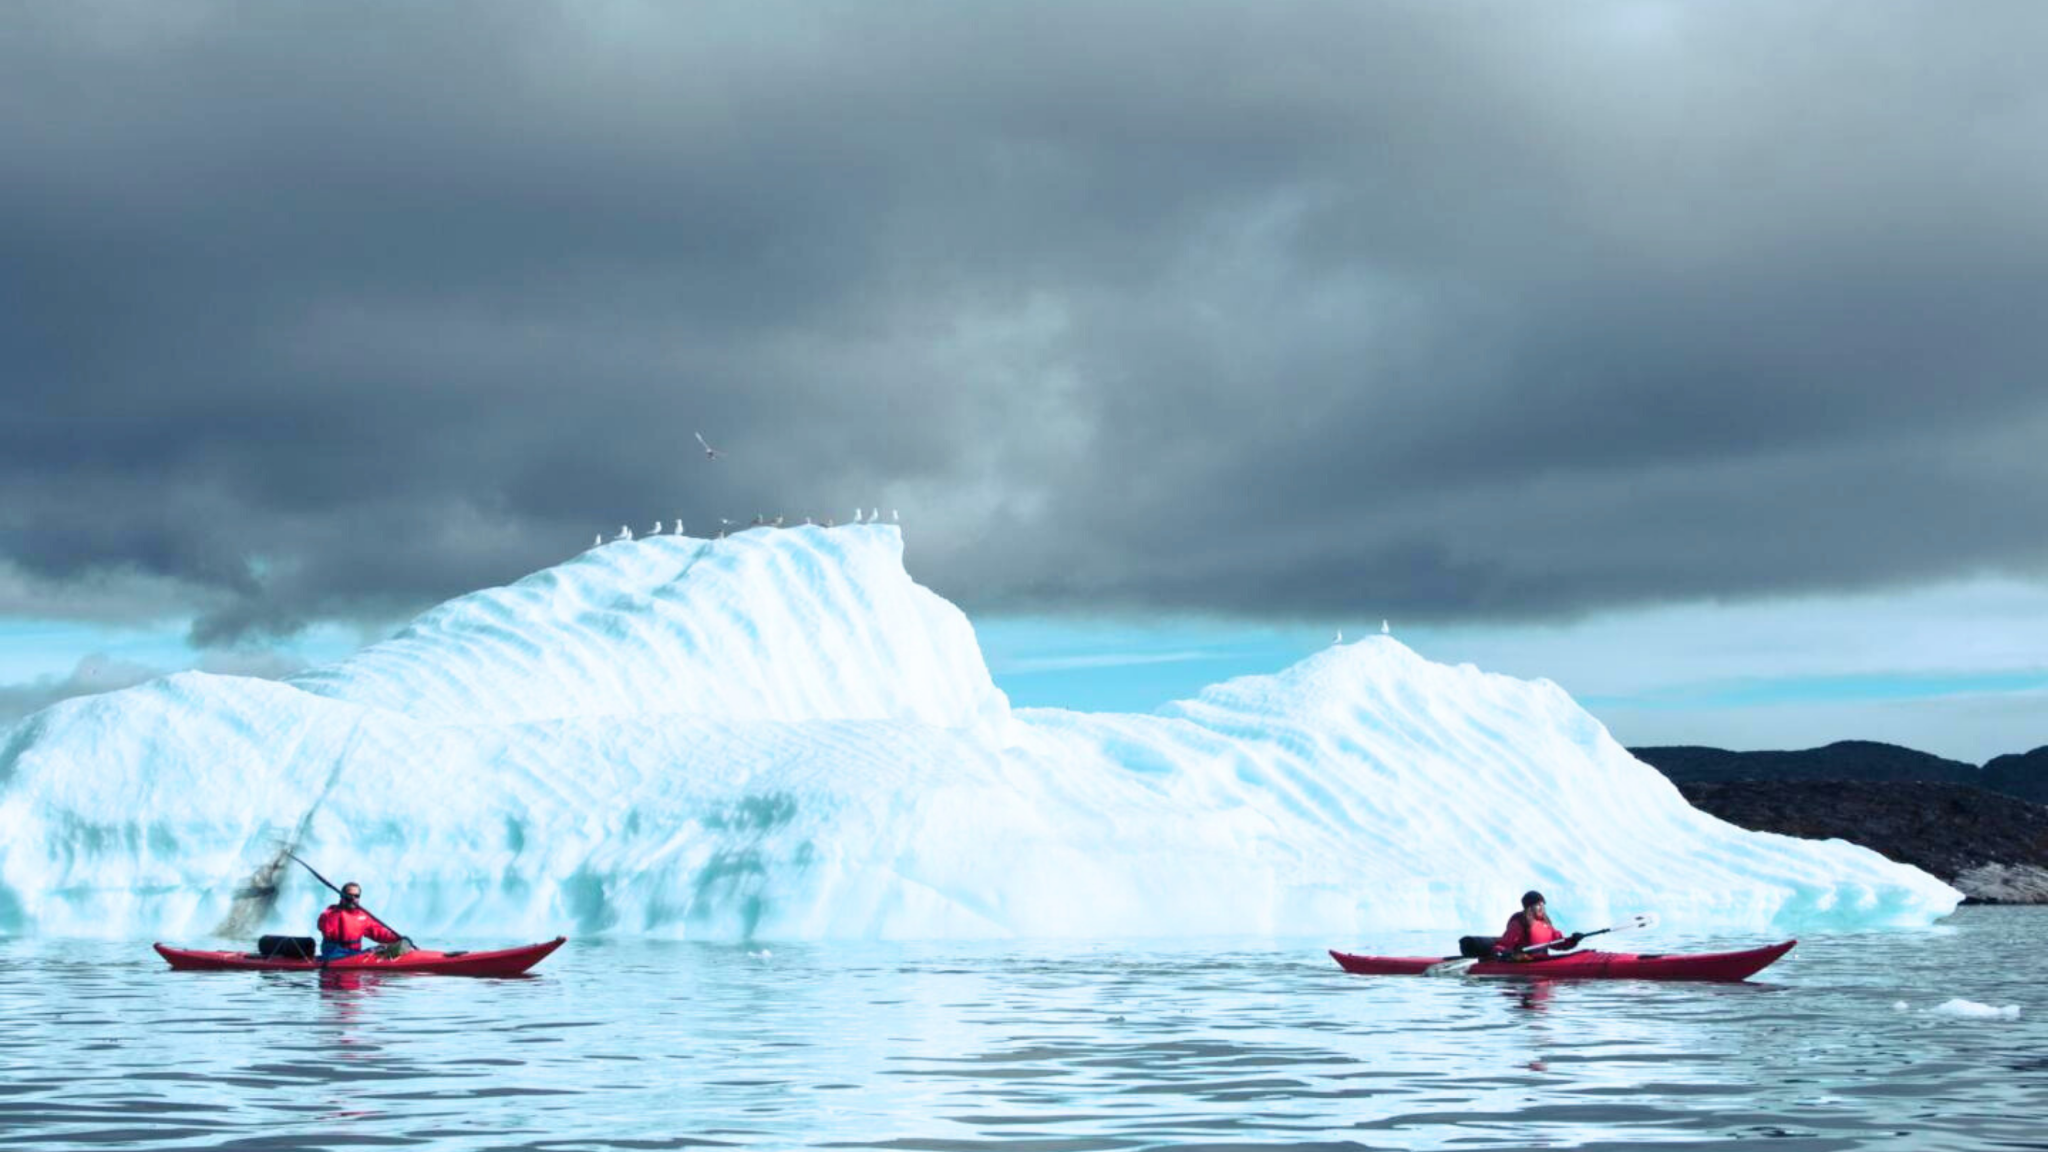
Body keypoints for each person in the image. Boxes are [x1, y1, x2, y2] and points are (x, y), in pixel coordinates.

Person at [317, 882, 403, 960]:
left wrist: (397, 938)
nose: (353, 898)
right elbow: (326, 929)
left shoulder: (362, 916)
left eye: (356, 896)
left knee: (385, 948)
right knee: (378, 951)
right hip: (335, 955)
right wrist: (338, 910)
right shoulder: (331, 913)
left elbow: (378, 932)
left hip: (354, 954)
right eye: (349, 896)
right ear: (342, 896)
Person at [1493, 891, 1583, 962]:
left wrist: (1573, 940)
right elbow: (1501, 945)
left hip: (1542, 961)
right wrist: (1508, 953)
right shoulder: (1519, 923)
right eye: (1538, 905)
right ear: (1529, 907)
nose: (1541, 907)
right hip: (1524, 963)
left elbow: (1558, 943)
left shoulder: (1546, 924)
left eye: (1542, 904)